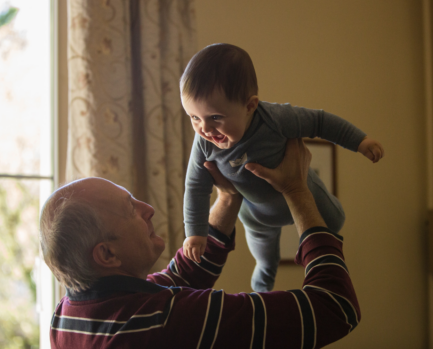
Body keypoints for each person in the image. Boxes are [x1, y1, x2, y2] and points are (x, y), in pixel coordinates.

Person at [40, 139, 361, 349]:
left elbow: (181, 275)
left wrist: (228, 197)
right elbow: (334, 307)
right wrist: (297, 190)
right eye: (130, 209)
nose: (147, 209)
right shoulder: (168, 321)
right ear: (107, 254)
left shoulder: (67, 315)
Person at [181, 43, 384, 291]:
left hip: (304, 190)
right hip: (257, 215)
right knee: (266, 259)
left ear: (249, 106)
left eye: (215, 117)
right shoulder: (203, 143)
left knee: (335, 221)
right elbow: (195, 187)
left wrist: (360, 141)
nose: (205, 129)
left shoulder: (275, 119)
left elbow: (320, 122)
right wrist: (195, 233)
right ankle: (262, 289)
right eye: (194, 117)